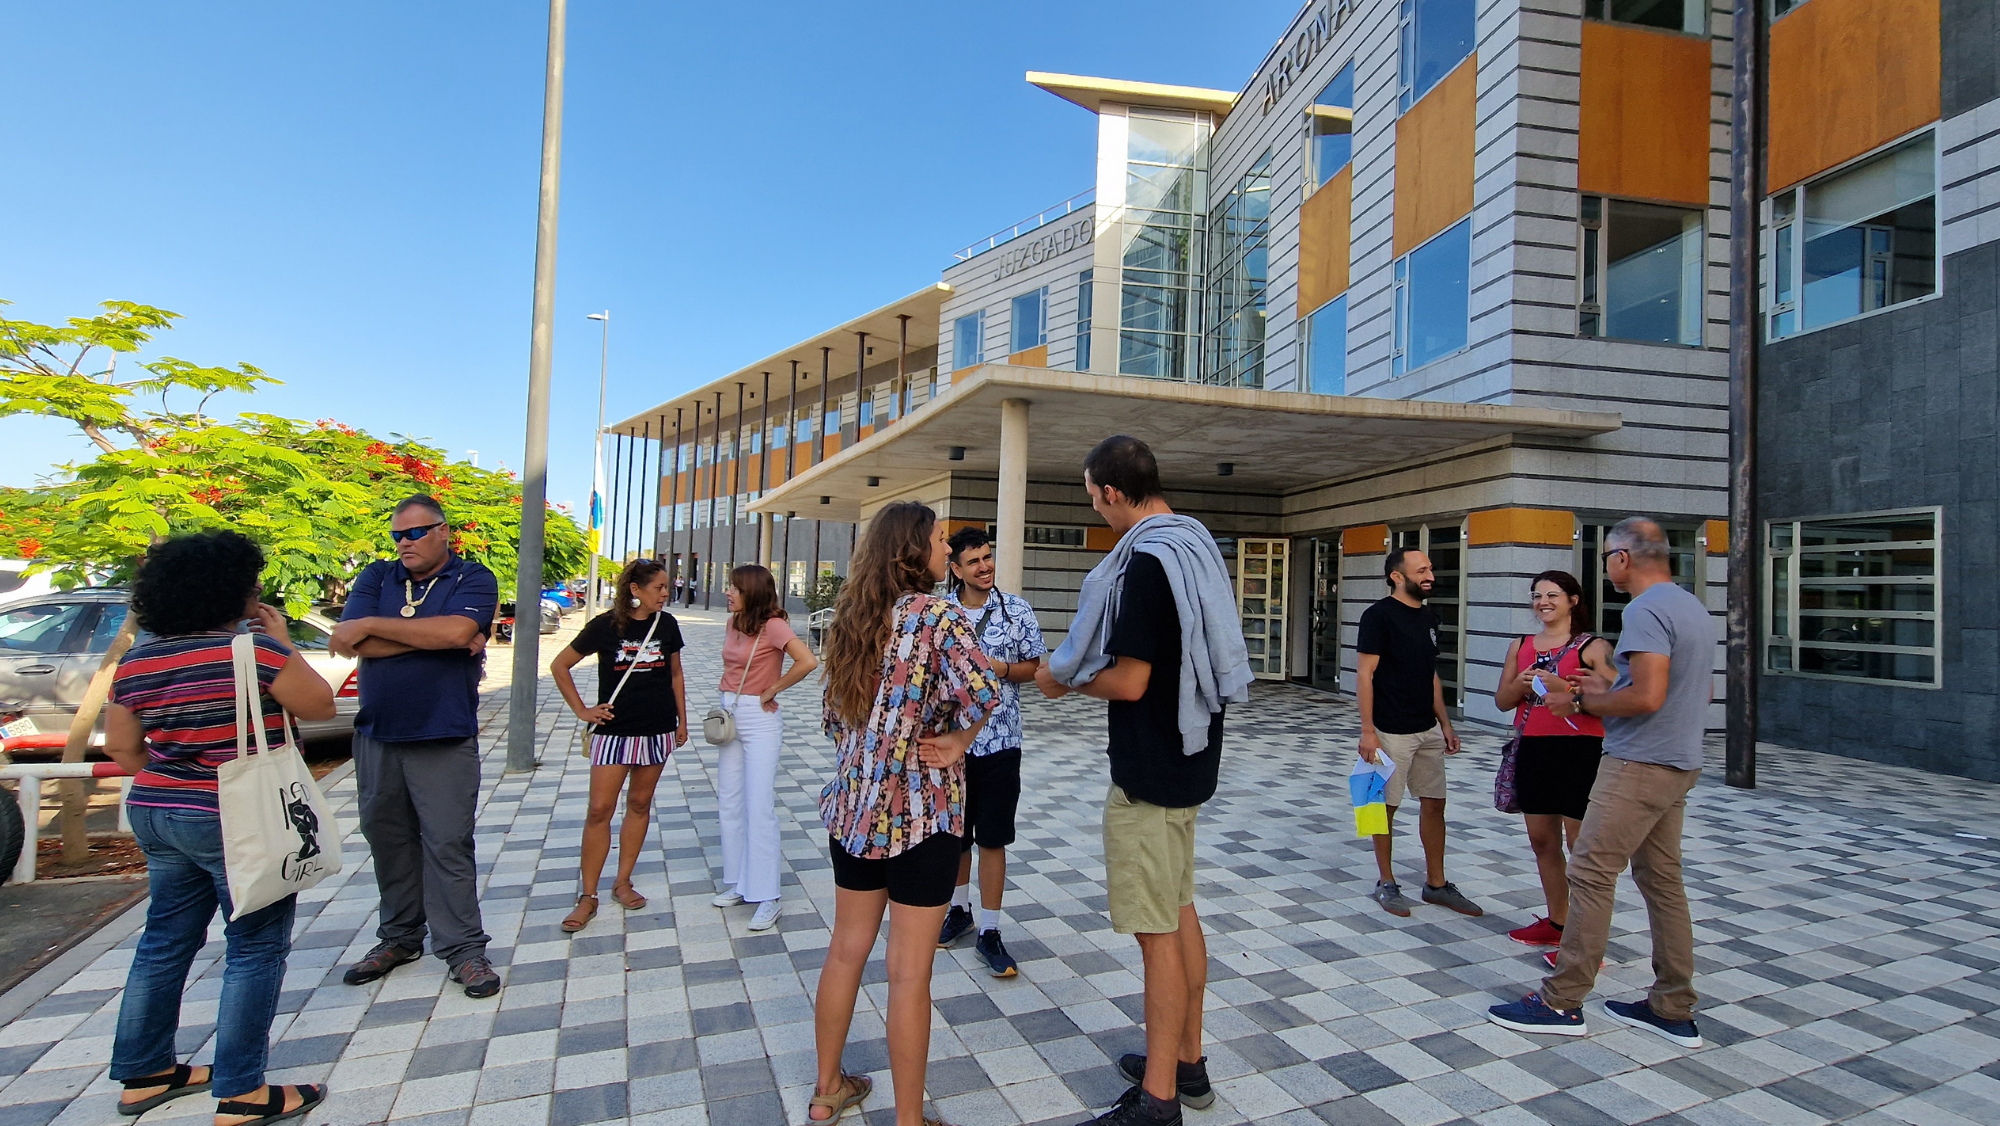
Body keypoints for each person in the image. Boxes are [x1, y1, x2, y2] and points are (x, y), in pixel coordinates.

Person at [1036, 435, 1252, 1126]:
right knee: (1180, 911)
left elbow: (1130, 680)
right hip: (1192, 759)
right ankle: (1187, 1065)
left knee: (1156, 933)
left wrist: (1063, 679)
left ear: (1109, 490)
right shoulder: (1195, 546)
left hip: (1150, 771)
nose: (1096, 509)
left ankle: (1159, 1100)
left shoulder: (1146, 562)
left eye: (1092, 496)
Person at [105, 531, 335, 1126]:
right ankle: (242, 1092)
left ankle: (145, 1072)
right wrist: (282, 640)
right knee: (255, 947)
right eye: (252, 583)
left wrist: (179, 780)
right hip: (237, 820)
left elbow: (124, 748)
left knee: (163, 941)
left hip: (158, 812)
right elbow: (320, 706)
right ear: (228, 589)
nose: (258, 591)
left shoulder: (138, 659)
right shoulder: (253, 653)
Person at [1488, 517, 1716, 1049]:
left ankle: (1560, 1001)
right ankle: (1671, 1006)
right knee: (1662, 882)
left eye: (1608, 555)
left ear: (1622, 558)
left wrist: (1581, 700)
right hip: (1679, 761)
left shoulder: (1644, 608)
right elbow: (1689, 693)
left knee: (1590, 871)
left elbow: (1646, 698)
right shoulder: (1691, 607)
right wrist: (1607, 688)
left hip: (1639, 764)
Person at [809, 502, 999, 1126]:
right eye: (942, 540)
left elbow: (836, 721)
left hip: (855, 812)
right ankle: (909, 1121)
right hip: (924, 814)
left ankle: (826, 1091)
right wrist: (958, 742)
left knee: (845, 951)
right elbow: (985, 692)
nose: (949, 550)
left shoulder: (850, 620)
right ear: (915, 550)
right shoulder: (940, 616)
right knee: (908, 973)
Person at [331, 495, 502, 998]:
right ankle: (400, 938)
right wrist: (430, 637)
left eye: (415, 533)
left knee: (447, 843)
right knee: (388, 841)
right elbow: (346, 641)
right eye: (397, 535)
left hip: (442, 733)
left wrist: (374, 628)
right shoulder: (377, 578)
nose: (403, 543)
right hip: (377, 733)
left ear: (443, 532)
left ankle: (465, 950)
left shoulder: (472, 578)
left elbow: (456, 630)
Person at [550, 558, 689, 932]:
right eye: (659, 587)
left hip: (656, 729)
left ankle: (623, 881)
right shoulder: (606, 626)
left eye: (666, 587)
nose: (666, 592)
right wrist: (582, 710)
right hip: (613, 732)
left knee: (640, 804)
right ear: (635, 589)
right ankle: (588, 895)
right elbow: (560, 665)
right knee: (599, 809)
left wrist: (682, 722)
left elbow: (675, 674)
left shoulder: (668, 625)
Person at [937, 527, 1047, 978]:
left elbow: (1036, 667)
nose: (984, 567)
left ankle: (991, 929)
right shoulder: (942, 612)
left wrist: (997, 668)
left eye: (988, 558)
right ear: (956, 569)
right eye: (974, 562)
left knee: (994, 838)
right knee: (956, 836)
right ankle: (958, 909)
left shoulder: (1016, 610)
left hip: (1001, 741)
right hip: (950, 744)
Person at [1490, 571, 1617, 948]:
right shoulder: (1521, 645)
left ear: (1573, 601)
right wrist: (1522, 683)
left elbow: (1615, 697)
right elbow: (1502, 701)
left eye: (1552, 595)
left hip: (1581, 750)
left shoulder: (1592, 647)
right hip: (1533, 746)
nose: (1543, 602)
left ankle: (1584, 935)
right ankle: (1557, 921)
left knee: (1580, 843)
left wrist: (1566, 687)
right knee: (1542, 839)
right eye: (1537, 595)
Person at [1355, 548, 1482, 918]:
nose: (1430, 574)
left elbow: (1430, 674)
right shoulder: (1377, 616)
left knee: (1434, 803)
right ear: (1397, 576)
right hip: (1389, 729)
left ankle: (1436, 884)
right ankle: (1386, 882)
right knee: (1382, 807)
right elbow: (1365, 675)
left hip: (1426, 728)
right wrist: (1368, 731)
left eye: (1430, 568)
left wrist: (1445, 722)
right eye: (1421, 569)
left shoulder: (1428, 615)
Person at [711, 563, 817, 931]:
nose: (728, 593)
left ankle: (767, 895)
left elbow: (808, 661)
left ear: (751, 592)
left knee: (759, 805)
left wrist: (774, 688)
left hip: (759, 718)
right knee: (729, 800)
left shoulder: (774, 625)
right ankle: (739, 882)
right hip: (730, 715)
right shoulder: (733, 623)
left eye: (734, 588)